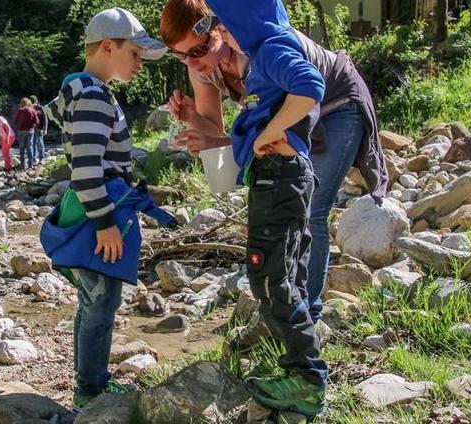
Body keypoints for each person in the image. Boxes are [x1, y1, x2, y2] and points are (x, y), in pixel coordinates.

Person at [160, 0, 387, 324]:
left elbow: (307, 90)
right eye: (180, 55)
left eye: (198, 51)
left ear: (222, 26)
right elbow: (228, 134)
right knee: (289, 212)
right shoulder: (203, 69)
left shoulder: (261, 47)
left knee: (312, 209)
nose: (192, 63)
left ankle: (306, 315)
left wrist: (267, 134)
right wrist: (193, 118)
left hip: (336, 104)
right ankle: (287, 307)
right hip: (290, 119)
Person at [184, 0, 330, 416]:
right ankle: (301, 366)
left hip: (279, 175)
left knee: (266, 274)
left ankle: (306, 377)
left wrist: (271, 130)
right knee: (288, 271)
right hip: (281, 174)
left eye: (224, 24)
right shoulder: (261, 53)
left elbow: (310, 86)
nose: (221, 34)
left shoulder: (270, 47)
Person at [41, 7, 169, 413]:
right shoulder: (94, 96)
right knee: (102, 301)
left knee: (92, 299)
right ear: (108, 46)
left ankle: (88, 381)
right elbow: (86, 168)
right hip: (97, 210)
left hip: (87, 208)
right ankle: (91, 391)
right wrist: (106, 223)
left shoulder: (81, 91)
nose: (139, 64)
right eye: (135, 54)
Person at [13, 98, 39, 170]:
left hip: (21, 131)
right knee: (29, 147)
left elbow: (15, 121)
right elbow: (37, 122)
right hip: (30, 131)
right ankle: (30, 165)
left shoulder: (19, 111)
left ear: (22, 103)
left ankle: (22, 165)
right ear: (29, 103)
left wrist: (17, 126)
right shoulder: (32, 110)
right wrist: (33, 126)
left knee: (21, 148)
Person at [30, 95, 49, 165]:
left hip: (40, 129)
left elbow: (45, 119)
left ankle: (41, 158)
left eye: (33, 102)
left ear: (36, 101)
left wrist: (45, 129)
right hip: (32, 129)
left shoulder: (41, 108)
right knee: (33, 144)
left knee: (40, 143)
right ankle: (34, 159)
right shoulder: (30, 108)